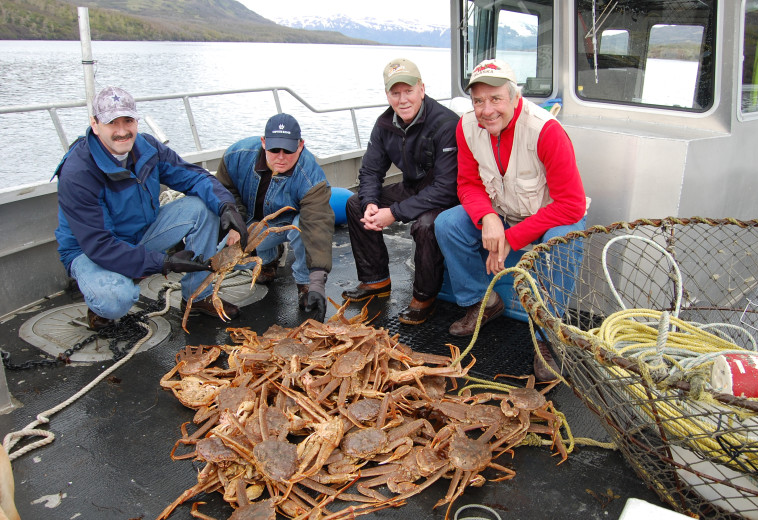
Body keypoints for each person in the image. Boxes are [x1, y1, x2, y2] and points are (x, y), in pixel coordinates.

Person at [434, 59, 590, 381]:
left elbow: (571, 205)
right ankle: (484, 301)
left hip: (549, 218)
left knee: (565, 239)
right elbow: (468, 183)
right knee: (447, 224)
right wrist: (488, 216)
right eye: (478, 101)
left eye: (495, 99)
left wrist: (510, 238)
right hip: (502, 212)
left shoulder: (546, 131)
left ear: (515, 98)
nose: (486, 110)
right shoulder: (465, 127)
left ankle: (547, 337)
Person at [54, 86, 249, 330]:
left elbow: (194, 177)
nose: (122, 131)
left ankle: (197, 296)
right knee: (116, 299)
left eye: (128, 120)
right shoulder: (78, 172)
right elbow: (99, 244)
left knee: (205, 205)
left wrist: (227, 207)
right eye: (112, 122)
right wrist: (164, 263)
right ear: (94, 124)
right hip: (91, 251)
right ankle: (100, 304)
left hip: (142, 233)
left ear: (136, 120)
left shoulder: (147, 148)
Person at [342, 58, 460, 325]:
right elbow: (371, 171)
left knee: (426, 225)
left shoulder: (446, 123)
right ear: (387, 95)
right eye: (396, 93)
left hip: (445, 196)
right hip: (412, 187)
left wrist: (394, 213)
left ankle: (424, 296)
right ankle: (376, 279)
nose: (402, 99)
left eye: (408, 91)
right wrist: (371, 202)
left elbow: (447, 187)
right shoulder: (384, 124)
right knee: (354, 203)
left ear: (422, 89)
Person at [216, 113, 334, 323]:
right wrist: (234, 221)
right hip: (247, 224)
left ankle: (304, 284)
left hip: (287, 224)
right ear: (263, 143)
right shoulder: (236, 155)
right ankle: (268, 261)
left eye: (288, 150)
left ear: (300, 145)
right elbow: (222, 189)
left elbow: (317, 225)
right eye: (274, 149)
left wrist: (317, 283)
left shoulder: (311, 177)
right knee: (214, 239)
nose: (281, 157)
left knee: (301, 226)